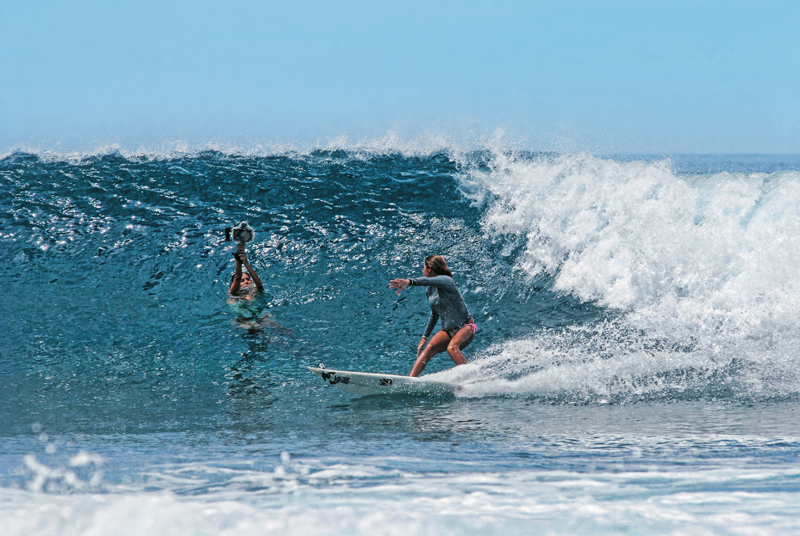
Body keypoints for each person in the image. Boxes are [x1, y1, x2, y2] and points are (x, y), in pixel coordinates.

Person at [389, 255, 477, 377]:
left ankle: (471, 378)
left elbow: (427, 281)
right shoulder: (430, 291)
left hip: (466, 326)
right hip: (449, 330)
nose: (422, 270)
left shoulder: (447, 281)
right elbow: (435, 313)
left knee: (452, 348)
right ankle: (411, 380)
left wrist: (409, 282)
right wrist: (424, 337)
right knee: (429, 348)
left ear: (429, 268)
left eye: (423, 267)